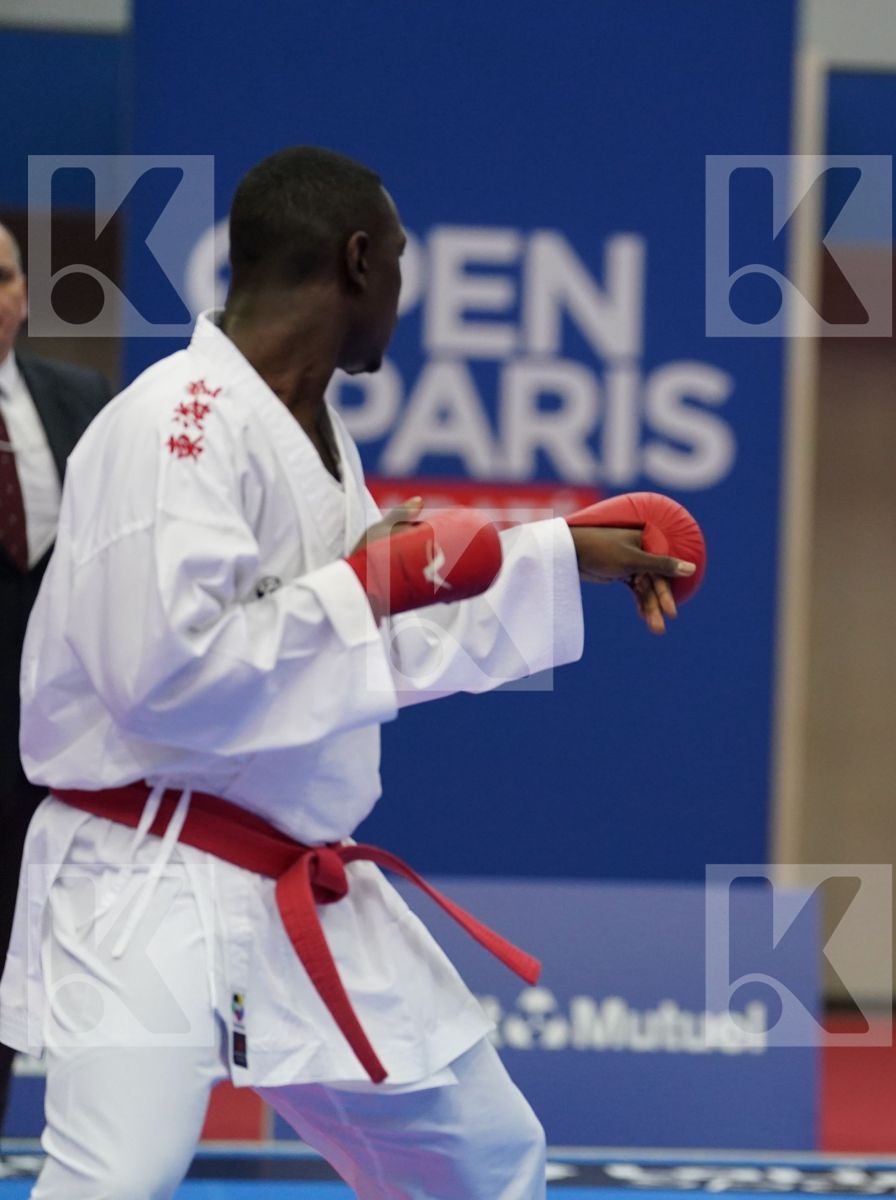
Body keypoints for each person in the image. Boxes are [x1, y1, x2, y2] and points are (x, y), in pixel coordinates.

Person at [0, 146, 697, 1199]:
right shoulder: (172, 424)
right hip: (146, 870)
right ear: (360, 260)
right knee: (117, 1177)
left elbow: (366, 646)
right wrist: (365, 582)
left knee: (481, 1156)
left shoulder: (314, 436)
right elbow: (161, 678)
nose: (404, 298)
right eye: (404, 264)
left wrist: (561, 553)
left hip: (293, 876)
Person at [0, 219, 113, 1150]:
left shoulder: (82, 403)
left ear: (25, 294)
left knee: (13, 974)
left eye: (3, 277)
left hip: (40, 759)